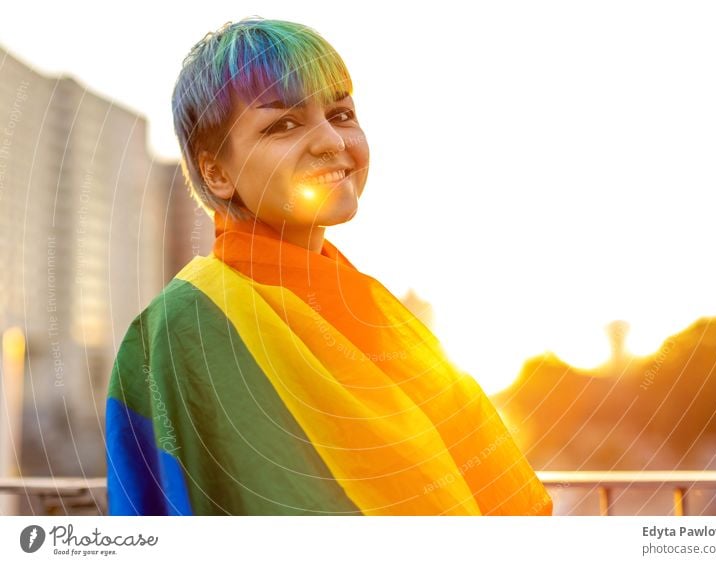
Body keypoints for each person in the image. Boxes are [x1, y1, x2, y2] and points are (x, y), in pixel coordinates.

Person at [105, 17, 552, 516]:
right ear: (216, 171)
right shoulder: (188, 326)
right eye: (284, 124)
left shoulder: (377, 309)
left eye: (341, 114)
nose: (332, 142)